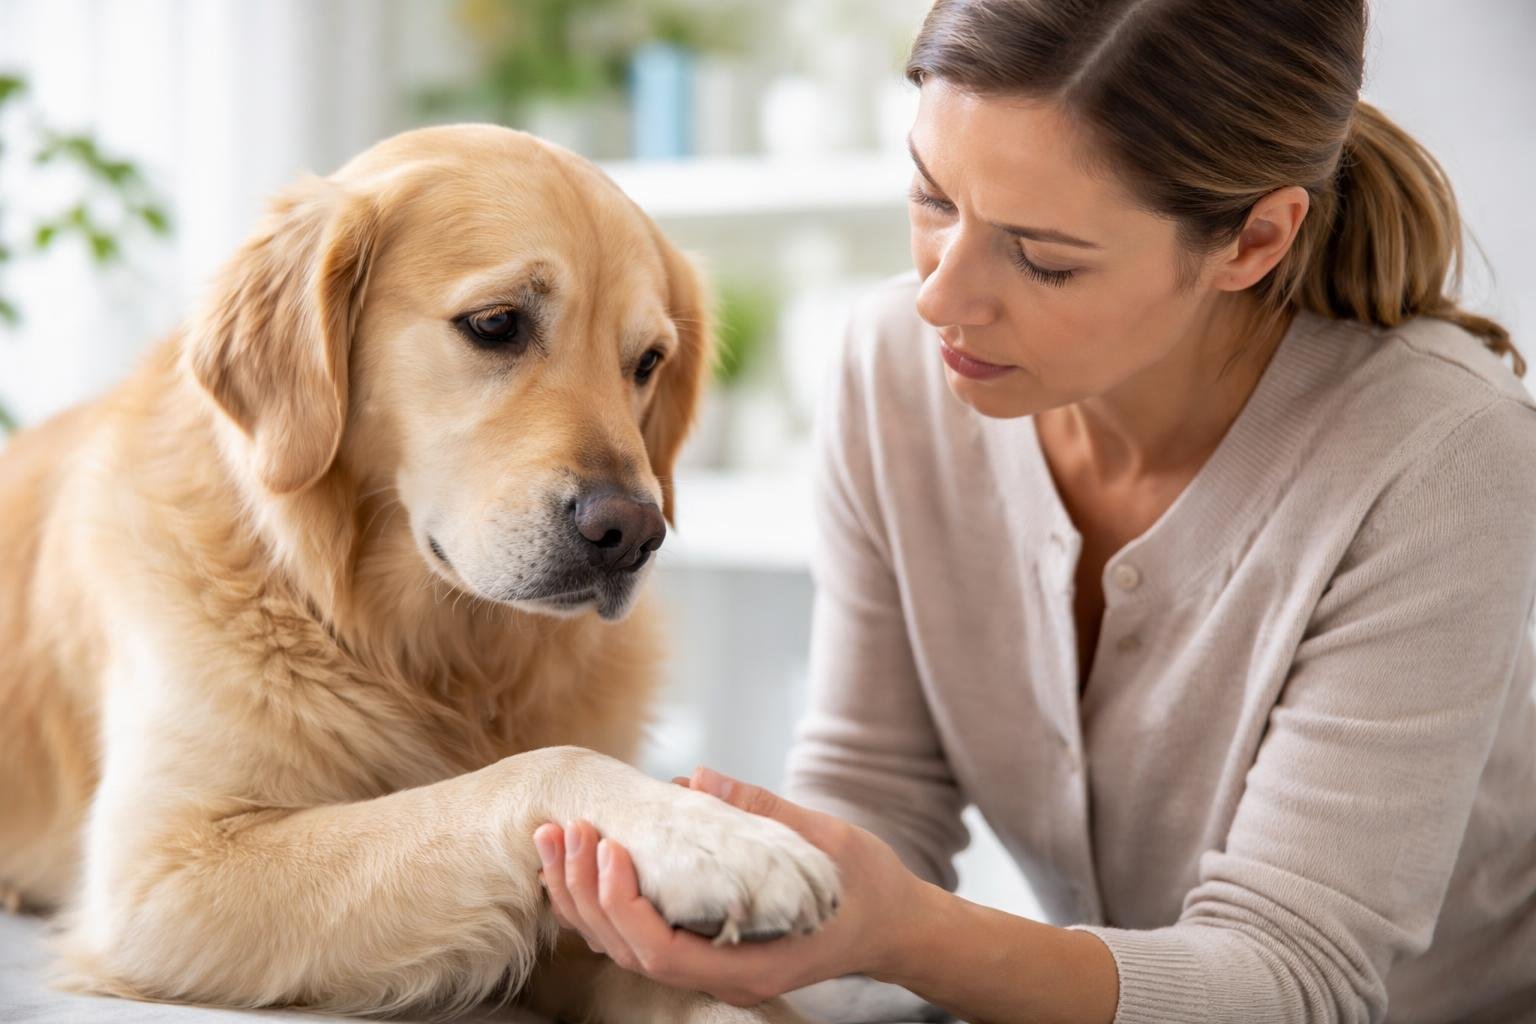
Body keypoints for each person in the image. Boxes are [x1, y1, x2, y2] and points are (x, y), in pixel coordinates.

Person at [533, 1, 1536, 1020]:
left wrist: (901, 930)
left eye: (1045, 258)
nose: (940, 296)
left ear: (1254, 239)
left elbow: (1293, 979)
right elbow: (875, 794)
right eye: (931, 197)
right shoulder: (892, 366)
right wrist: (738, 938)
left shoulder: (1440, 449)